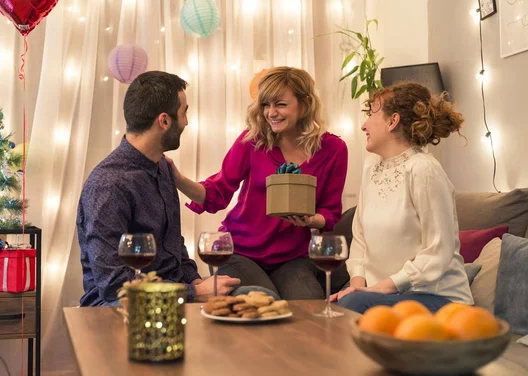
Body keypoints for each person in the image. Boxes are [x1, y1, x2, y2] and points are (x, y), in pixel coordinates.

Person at [168, 67, 348, 300]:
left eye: (280, 104)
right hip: (241, 253)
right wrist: (178, 179)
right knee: (264, 302)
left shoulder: (334, 150)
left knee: (308, 307)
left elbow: (331, 211)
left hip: (294, 256)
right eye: (265, 105)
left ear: (304, 104)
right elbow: (217, 192)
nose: (271, 113)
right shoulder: (252, 142)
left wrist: (312, 220)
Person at [77, 71, 241, 306]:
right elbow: (115, 286)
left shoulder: (162, 167)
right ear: (164, 121)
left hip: (175, 294)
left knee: (253, 296)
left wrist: (194, 281)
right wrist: (194, 294)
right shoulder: (108, 185)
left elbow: (172, 245)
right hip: (122, 304)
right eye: (184, 112)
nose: (186, 121)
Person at [330, 82, 474, 314]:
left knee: (351, 305)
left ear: (392, 121)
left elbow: (438, 251)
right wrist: (356, 287)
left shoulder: (424, 169)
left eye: (371, 114)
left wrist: (376, 290)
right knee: (341, 306)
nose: (363, 125)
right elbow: (360, 239)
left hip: (438, 299)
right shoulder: (371, 168)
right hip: (388, 296)